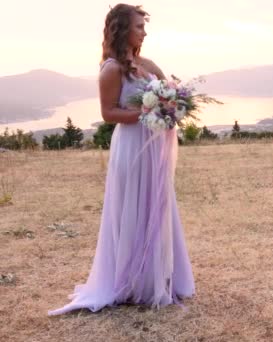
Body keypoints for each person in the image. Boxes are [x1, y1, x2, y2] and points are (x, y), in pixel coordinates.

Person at [48, 4, 195, 316]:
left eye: (144, 25)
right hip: (130, 144)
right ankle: (131, 281)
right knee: (132, 207)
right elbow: (108, 113)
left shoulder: (147, 63)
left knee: (157, 204)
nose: (144, 31)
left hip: (153, 145)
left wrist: (172, 106)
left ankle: (159, 276)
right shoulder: (111, 69)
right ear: (122, 29)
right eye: (139, 26)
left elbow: (169, 92)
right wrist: (146, 113)